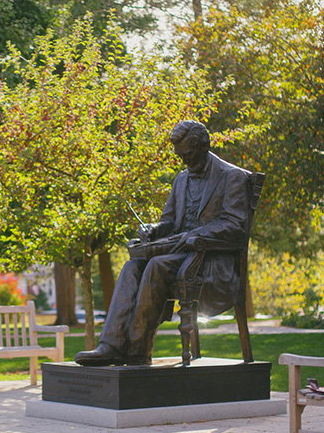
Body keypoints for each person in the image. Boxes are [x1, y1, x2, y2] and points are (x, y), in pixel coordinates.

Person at [74, 121, 250, 366]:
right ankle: (111, 345)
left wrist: (198, 234)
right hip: (177, 256)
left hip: (211, 262)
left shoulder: (232, 176)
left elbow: (236, 226)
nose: (184, 161)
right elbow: (168, 221)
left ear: (203, 145)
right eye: (180, 156)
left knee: (156, 265)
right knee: (133, 266)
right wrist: (153, 229)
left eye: (188, 154)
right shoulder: (181, 180)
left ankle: (137, 351)